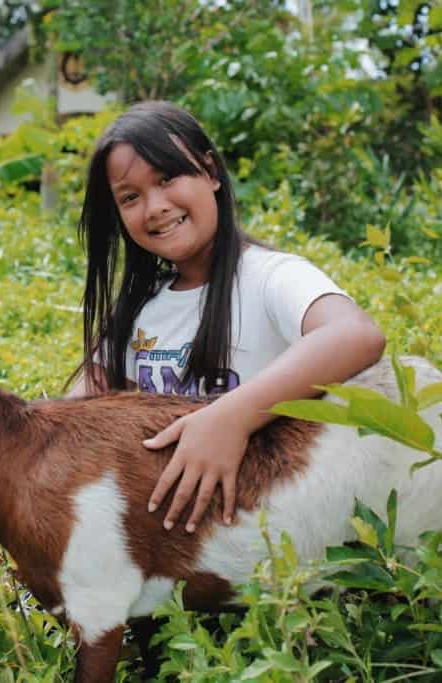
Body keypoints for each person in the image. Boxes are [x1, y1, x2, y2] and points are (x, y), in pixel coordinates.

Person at [66, 101, 386, 534]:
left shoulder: (270, 276)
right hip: (159, 545)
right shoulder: (137, 310)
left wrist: (231, 417)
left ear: (211, 173)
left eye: (167, 178)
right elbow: (71, 417)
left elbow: (356, 335)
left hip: (264, 535)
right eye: (130, 197)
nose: (155, 206)